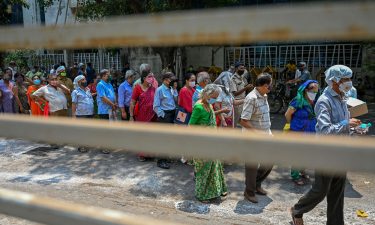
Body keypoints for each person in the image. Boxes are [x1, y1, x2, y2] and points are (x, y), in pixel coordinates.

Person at [290, 65, 361, 225]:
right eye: (345, 79)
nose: (349, 82)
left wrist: (355, 129)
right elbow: (324, 130)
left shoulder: (343, 98)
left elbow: (344, 127)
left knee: (337, 192)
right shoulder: (324, 101)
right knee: (320, 190)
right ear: (334, 81)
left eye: (349, 78)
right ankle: (297, 210)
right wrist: (345, 123)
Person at [189, 84, 228, 203]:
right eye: (214, 97)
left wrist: (221, 111)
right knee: (203, 170)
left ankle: (215, 191)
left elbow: (210, 116)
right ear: (207, 94)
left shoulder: (208, 105)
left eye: (216, 97)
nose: (215, 99)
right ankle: (202, 195)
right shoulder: (198, 107)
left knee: (214, 167)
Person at [240, 73, 274, 203]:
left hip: (266, 135)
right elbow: (243, 121)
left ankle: (256, 184)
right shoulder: (251, 98)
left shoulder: (264, 95)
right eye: (270, 84)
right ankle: (249, 192)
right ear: (265, 85)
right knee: (252, 165)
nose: (271, 87)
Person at [284, 80, 319, 185]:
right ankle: (295, 175)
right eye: (312, 91)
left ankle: (302, 169)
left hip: (311, 131)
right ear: (306, 90)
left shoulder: (315, 101)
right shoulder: (297, 101)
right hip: (299, 131)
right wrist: (294, 125)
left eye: (316, 92)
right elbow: (287, 115)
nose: (314, 94)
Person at [130, 69, 157, 161]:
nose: (152, 78)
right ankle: (142, 154)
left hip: (152, 116)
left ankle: (150, 153)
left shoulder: (154, 88)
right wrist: (131, 116)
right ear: (144, 78)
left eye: (152, 77)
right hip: (141, 116)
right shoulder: (137, 88)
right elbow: (132, 103)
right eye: (150, 77)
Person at [153, 72, 178, 169]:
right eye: (170, 79)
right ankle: (161, 161)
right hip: (165, 116)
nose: (172, 81)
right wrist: (163, 115)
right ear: (165, 79)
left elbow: (176, 100)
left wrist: (175, 89)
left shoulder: (171, 89)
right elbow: (155, 106)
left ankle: (166, 157)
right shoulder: (159, 90)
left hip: (172, 114)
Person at [72, 75, 94, 153]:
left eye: (85, 79)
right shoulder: (75, 92)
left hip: (90, 113)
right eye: (83, 80)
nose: (85, 81)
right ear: (78, 82)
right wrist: (74, 115)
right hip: (81, 114)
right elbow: (74, 104)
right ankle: (81, 146)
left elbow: (89, 99)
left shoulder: (87, 90)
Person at [96, 69, 117, 154]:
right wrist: (112, 104)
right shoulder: (100, 84)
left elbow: (113, 94)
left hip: (111, 109)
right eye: (108, 75)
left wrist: (115, 103)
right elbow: (103, 98)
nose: (110, 76)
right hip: (104, 110)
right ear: (103, 76)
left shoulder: (109, 84)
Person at [231, 62, 254, 127]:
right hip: (237, 103)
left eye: (243, 68)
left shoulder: (242, 78)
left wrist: (249, 87)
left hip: (244, 101)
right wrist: (246, 88)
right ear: (236, 69)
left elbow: (246, 87)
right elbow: (235, 93)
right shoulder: (233, 79)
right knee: (235, 121)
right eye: (241, 68)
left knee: (245, 121)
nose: (242, 70)